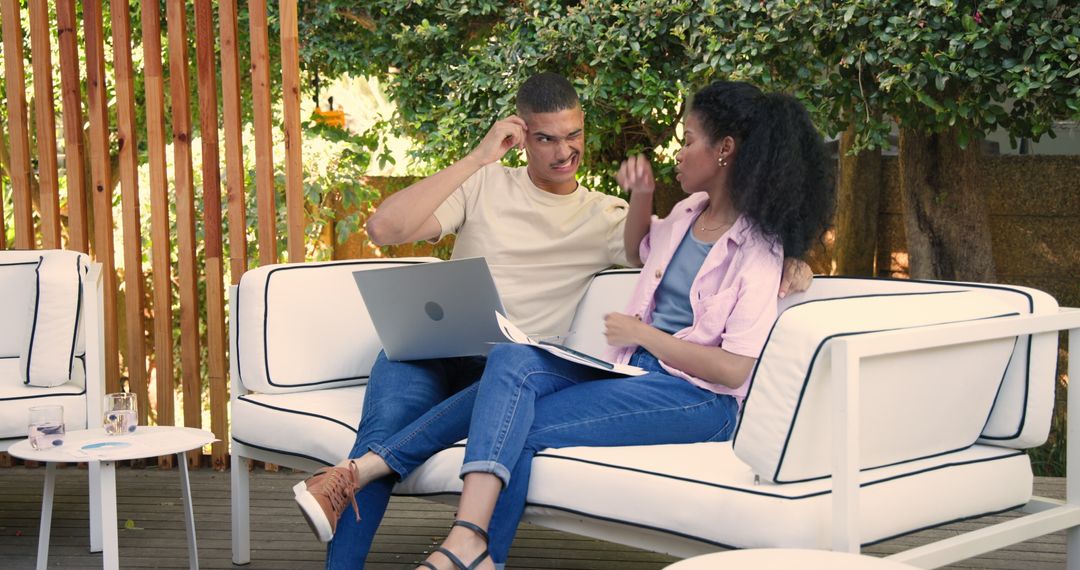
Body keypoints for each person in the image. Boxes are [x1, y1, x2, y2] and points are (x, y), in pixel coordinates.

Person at [293, 73, 814, 569]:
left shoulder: (607, 215)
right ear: (520, 137)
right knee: (385, 426)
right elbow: (384, 227)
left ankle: (449, 534)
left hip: (508, 368)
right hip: (430, 347)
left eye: (574, 136)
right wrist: (478, 158)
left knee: (509, 383)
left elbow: (699, 249)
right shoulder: (484, 186)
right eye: (546, 138)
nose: (565, 151)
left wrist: (793, 254)